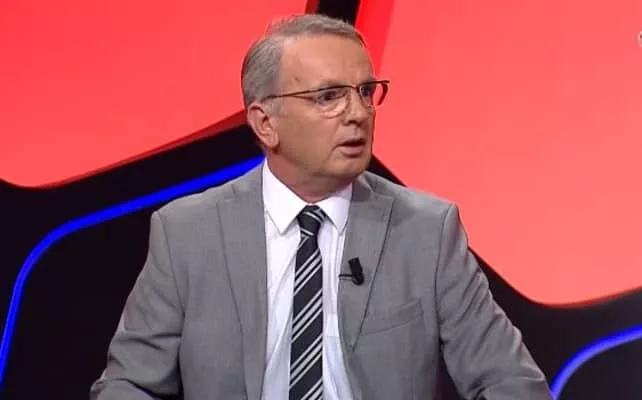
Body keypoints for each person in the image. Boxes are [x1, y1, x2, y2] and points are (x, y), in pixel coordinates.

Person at [90, 13, 552, 400]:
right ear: (265, 123)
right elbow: (129, 384)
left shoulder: (426, 232)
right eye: (329, 97)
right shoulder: (188, 233)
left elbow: (510, 383)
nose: (358, 113)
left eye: (366, 92)